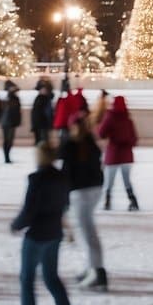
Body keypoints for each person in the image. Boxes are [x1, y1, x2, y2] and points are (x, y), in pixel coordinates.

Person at [12, 142, 72, 305]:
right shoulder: (62, 177)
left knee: (27, 279)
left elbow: (29, 210)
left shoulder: (37, 179)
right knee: (51, 278)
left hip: (36, 235)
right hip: (54, 233)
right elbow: (64, 204)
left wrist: (16, 225)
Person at [60, 112, 106, 290]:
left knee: (85, 233)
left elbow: (66, 172)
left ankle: (96, 272)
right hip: (94, 189)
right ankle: (92, 268)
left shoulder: (70, 145)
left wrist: (63, 199)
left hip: (79, 192)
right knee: (89, 230)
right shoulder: (91, 143)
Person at [97, 95, 138, 211]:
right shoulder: (128, 119)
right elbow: (134, 138)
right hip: (126, 155)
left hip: (113, 154)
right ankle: (133, 201)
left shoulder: (110, 117)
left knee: (109, 180)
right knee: (127, 180)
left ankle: (107, 201)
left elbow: (101, 133)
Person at [2, 80, 23, 164]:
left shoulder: (12, 98)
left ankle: (7, 157)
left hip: (9, 122)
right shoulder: (10, 98)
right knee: (8, 140)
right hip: (8, 122)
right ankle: (6, 157)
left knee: (8, 140)